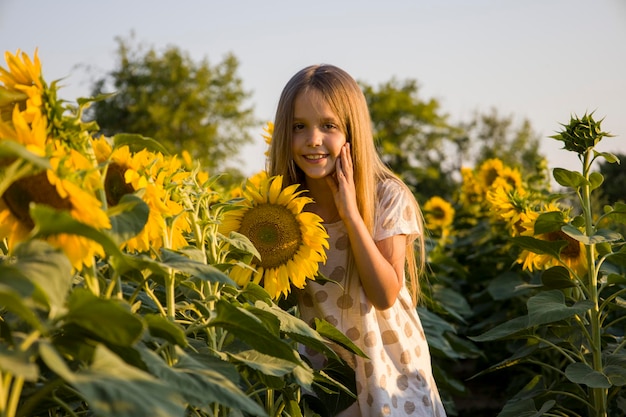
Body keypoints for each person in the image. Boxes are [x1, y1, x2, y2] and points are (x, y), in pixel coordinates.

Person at [267, 64, 447, 417]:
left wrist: (350, 214)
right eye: (298, 126)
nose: (313, 139)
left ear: (352, 131)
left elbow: (384, 294)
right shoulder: (281, 208)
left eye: (328, 126)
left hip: (389, 372)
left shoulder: (385, 197)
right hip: (326, 378)